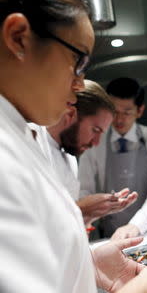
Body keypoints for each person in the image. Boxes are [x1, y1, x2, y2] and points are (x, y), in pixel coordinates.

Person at [0, 0, 147, 292]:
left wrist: (87, 263)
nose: (79, 86)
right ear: (18, 38)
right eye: (79, 62)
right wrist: (145, 289)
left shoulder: (25, 131)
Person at [30, 80, 138, 227]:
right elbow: (29, 221)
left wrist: (93, 213)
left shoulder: (70, 157)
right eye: (95, 130)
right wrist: (82, 209)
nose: (96, 142)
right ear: (71, 114)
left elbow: (67, 226)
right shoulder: (30, 143)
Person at [79, 77, 147, 240]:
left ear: (140, 110)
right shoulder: (95, 141)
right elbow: (85, 191)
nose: (119, 119)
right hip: (111, 236)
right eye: (114, 112)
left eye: (127, 112)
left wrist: (135, 226)